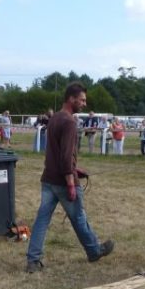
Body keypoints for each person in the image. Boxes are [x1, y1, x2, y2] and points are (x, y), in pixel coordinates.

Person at [25, 82, 114, 273]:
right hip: (63, 182)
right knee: (79, 217)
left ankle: (33, 260)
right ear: (71, 99)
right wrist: (71, 183)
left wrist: (75, 169)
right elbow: (66, 156)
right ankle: (94, 251)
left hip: (48, 179)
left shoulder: (55, 118)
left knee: (42, 220)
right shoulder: (70, 122)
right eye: (82, 100)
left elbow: (56, 152)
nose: (84, 104)